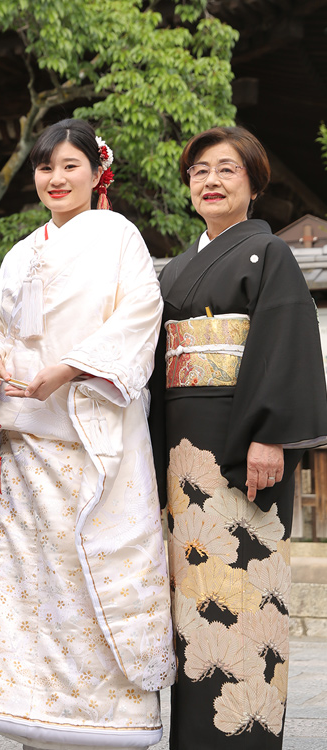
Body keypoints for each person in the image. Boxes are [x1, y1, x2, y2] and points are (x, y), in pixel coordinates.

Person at [0, 119, 175, 749]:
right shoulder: (20, 251)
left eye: (70, 166)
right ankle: (31, 720)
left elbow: (139, 319)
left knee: (95, 583)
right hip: (23, 450)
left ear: (97, 173)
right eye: (45, 168)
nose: (56, 179)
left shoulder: (119, 235)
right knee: (31, 596)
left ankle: (104, 728)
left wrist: (66, 371)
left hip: (90, 439)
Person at [149, 126, 327, 750]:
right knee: (195, 617)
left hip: (240, 455)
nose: (211, 181)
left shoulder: (268, 255)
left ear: (253, 183)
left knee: (245, 604)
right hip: (182, 461)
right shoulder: (172, 271)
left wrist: (270, 437)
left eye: (226, 169)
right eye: (199, 171)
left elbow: (286, 344)